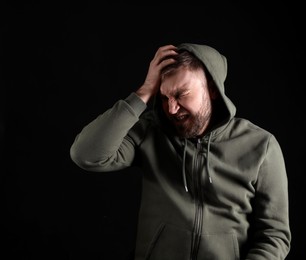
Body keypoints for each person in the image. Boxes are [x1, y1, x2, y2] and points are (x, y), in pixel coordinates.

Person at [70, 43, 291, 260]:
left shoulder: (261, 146)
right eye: (165, 97)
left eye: (182, 94)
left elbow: (274, 235)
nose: (172, 109)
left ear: (212, 89)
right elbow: (86, 155)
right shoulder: (150, 131)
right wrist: (144, 92)